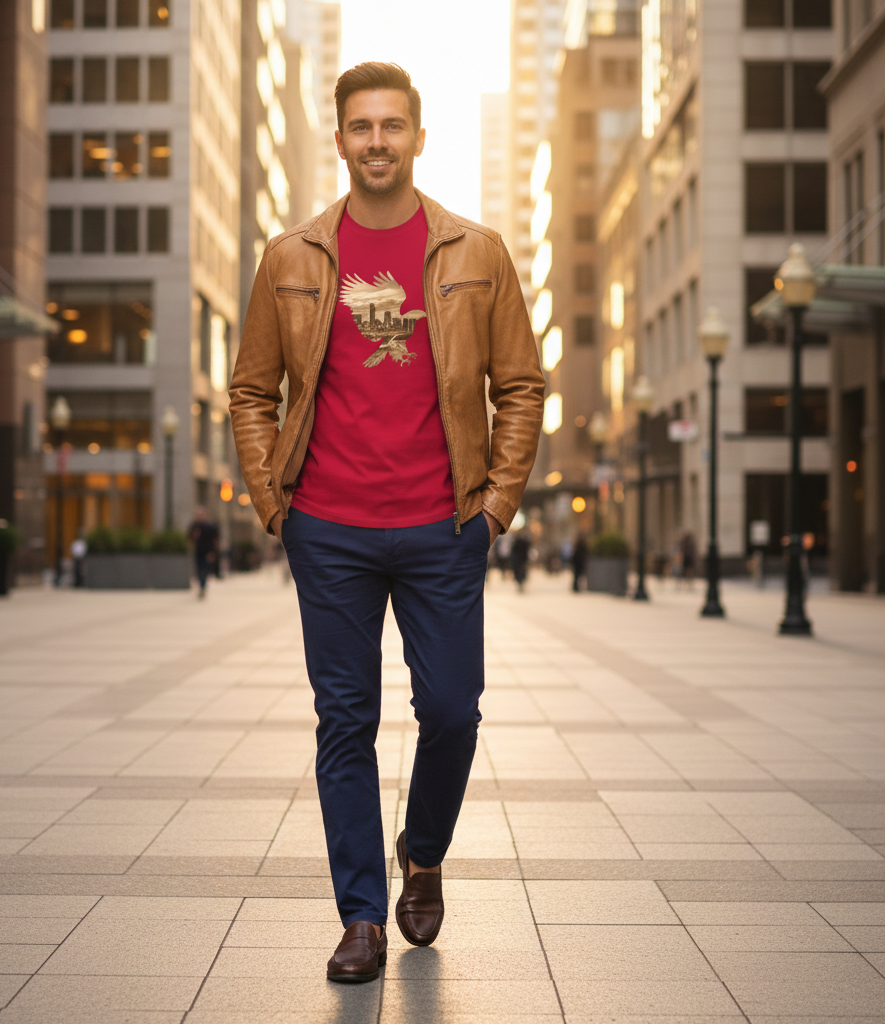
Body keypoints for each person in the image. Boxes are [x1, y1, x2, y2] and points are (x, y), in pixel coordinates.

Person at [229, 62, 544, 984]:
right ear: (339, 140)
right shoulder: (291, 257)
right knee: (344, 720)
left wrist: (495, 506)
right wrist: (274, 505)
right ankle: (362, 914)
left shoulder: (475, 252)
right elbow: (253, 389)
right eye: (360, 127)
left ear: (416, 135)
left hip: (445, 525)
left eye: (392, 126)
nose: (377, 142)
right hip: (328, 526)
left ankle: (425, 847)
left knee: (451, 711)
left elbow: (520, 385)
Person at [188, 507, 219, 598]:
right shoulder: (195, 526)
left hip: (208, 551)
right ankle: (201, 587)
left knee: (205, 570)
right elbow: (190, 537)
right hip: (198, 551)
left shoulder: (210, 526)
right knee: (199, 569)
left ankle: (203, 586)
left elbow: (215, 540)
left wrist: (214, 552)